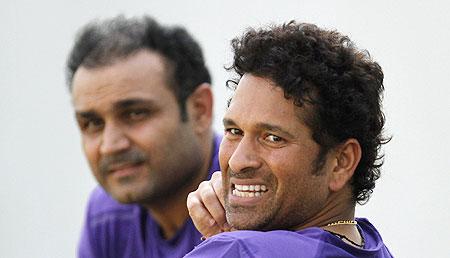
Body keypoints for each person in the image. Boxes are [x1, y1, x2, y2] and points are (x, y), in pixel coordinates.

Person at [186, 21, 393, 257]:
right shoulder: (371, 246)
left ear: (342, 161)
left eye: (273, 138)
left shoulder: (238, 250)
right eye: (234, 131)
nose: (237, 161)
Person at [66, 15, 220, 258]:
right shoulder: (107, 216)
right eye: (93, 123)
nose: (110, 145)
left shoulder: (251, 200)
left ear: (200, 109)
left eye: (135, 114)